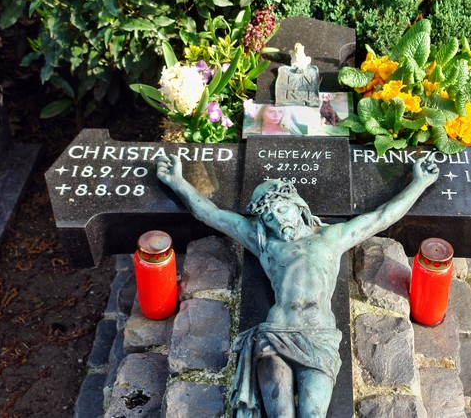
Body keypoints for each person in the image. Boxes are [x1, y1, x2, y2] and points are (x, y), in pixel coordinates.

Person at [156, 154, 439, 417]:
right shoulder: (266, 244)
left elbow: (383, 216)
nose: (278, 220)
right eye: (269, 218)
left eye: (281, 209)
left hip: (319, 337)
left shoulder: (331, 238)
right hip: (276, 335)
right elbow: (211, 214)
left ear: (297, 206)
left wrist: (420, 182)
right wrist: (177, 181)